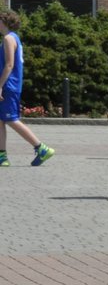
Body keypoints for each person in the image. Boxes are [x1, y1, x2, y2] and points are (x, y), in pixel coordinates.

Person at [0, 10, 53, 167]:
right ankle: (2, 156)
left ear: (4, 22)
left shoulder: (9, 38)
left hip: (9, 85)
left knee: (11, 119)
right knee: (1, 119)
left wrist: (0, 86)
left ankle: (41, 148)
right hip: (10, 85)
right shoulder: (13, 38)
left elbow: (9, 65)